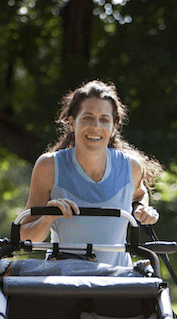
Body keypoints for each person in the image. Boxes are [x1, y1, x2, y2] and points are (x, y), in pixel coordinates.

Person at [20, 80, 163, 267]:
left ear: (114, 127)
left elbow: (139, 194)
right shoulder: (49, 166)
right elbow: (26, 238)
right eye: (87, 117)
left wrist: (142, 209)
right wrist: (48, 216)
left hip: (118, 283)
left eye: (104, 119)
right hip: (64, 282)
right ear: (72, 122)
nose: (95, 126)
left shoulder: (131, 167)